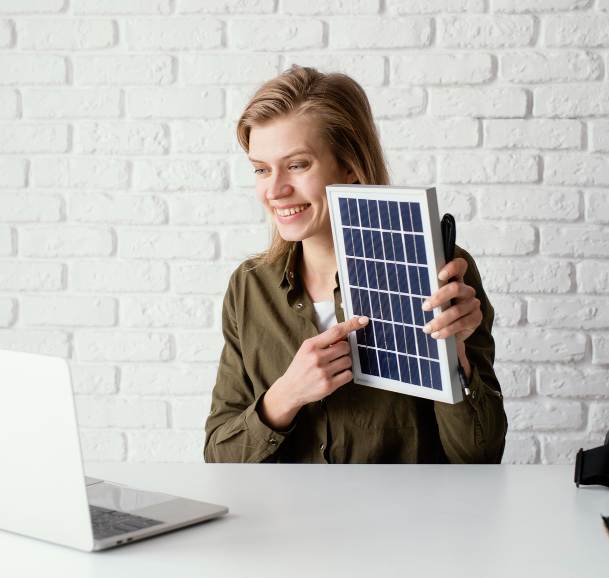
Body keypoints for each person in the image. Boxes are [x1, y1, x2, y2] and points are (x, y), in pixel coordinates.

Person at [203, 65, 507, 464]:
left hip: (407, 524)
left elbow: (480, 458)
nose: (274, 190)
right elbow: (219, 457)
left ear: (350, 164)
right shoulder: (249, 288)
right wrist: (286, 396)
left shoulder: (440, 272)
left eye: (297, 165)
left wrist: (456, 355)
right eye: (261, 169)